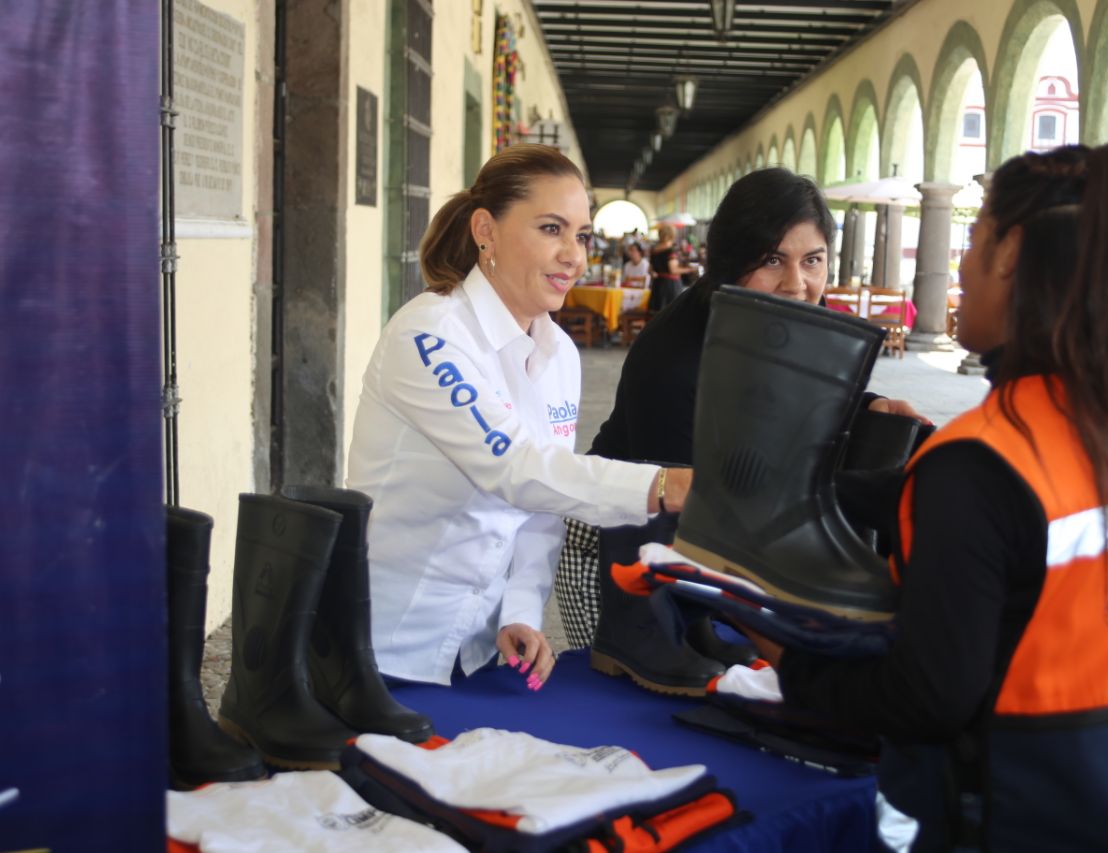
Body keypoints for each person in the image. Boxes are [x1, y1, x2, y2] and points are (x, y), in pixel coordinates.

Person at [748, 144, 1108, 850]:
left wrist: (785, 655)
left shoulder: (980, 460)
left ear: (1011, 253)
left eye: (971, 240)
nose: (957, 269)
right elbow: (1019, 541)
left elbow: (926, 698)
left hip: (1020, 817)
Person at [345, 144, 692, 689]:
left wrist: (521, 611)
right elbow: (517, 469)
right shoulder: (431, 333)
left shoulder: (559, 354)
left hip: (478, 648)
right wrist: (666, 486)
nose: (574, 256)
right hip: (385, 645)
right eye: (551, 229)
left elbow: (542, 509)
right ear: (486, 229)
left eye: (580, 235)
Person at [555, 167, 923, 649]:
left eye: (813, 260)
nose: (797, 283)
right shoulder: (674, 359)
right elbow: (683, 513)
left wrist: (868, 410)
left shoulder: (785, 328)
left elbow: (785, 411)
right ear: (730, 262)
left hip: (733, 550)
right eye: (773, 259)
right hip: (626, 557)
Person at [648, 223, 697, 312]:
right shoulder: (670, 250)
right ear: (672, 235)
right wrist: (690, 269)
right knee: (671, 313)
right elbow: (673, 270)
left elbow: (650, 270)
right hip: (670, 286)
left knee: (658, 314)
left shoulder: (653, 250)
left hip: (658, 284)